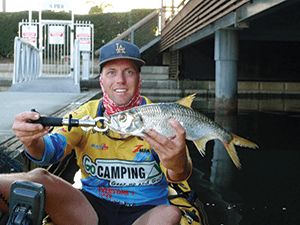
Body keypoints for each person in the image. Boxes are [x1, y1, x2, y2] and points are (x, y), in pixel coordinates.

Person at [0, 41, 192, 225]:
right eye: (111, 72)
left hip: (147, 209)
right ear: (101, 80)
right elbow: (50, 152)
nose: (120, 80)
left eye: (129, 72)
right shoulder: (85, 114)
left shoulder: (161, 115)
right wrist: (31, 141)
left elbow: (180, 173)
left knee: (170, 213)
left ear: (139, 78)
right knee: (39, 177)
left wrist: (176, 161)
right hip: (91, 207)